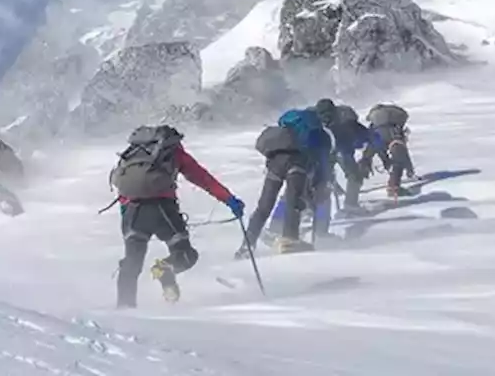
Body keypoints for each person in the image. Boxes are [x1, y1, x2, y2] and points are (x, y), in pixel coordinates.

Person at [108, 124, 245, 308]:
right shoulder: (173, 153)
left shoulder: (131, 154)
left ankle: (124, 311)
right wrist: (229, 199)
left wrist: (127, 218)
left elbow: (122, 190)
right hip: (163, 211)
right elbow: (202, 178)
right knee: (185, 254)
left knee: (132, 264)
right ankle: (165, 269)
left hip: (132, 213)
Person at [236, 107, 330, 257]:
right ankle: (290, 240)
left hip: (275, 163)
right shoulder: (321, 135)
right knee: (294, 202)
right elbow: (322, 163)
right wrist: (319, 187)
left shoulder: (289, 128)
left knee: (264, 206)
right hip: (297, 163)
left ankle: (247, 245)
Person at [314, 98, 392, 214]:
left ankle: (308, 210)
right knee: (354, 176)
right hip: (343, 152)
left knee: (319, 181)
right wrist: (383, 152)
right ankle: (350, 205)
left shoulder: (316, 123)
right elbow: (370, 136)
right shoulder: (347, 121)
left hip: (322, 154)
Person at [365, 103, 417, 197]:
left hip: (376, 136)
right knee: (399, 160)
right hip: (393, 135)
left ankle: (354, 186)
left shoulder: (375, 119)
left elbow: (378, 147)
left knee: (367, 158)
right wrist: (410, 170)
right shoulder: (396, 120)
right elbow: (403, 154)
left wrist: (386, 161)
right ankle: (394, 187)